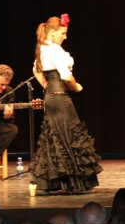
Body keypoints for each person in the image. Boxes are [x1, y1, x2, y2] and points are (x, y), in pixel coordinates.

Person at [29, 14, 102, 195]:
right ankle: (75, 183)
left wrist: (46, 86)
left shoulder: (44, 48)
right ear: (53, 32)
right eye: (63, 33)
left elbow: (36, 69)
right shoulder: (53, 50)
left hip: (52, 96)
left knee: (54, 137)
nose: (65, 36)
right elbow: (66, 76)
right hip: (60, 96)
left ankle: (47, 184)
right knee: (70, 135)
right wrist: (76, 87)